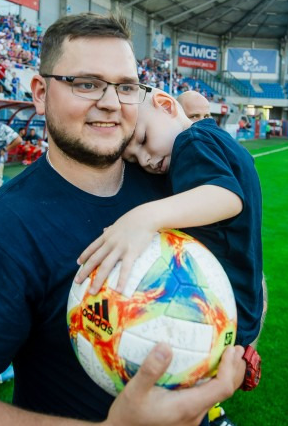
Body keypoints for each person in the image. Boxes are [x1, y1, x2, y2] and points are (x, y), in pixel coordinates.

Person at [0, 13, 245, 426]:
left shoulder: (171, 180)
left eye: (126, 87)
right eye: (86, 84)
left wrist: (236, 316)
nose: (110, 102)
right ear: (40, 93)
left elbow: (232, 258)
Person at [77, 88, 264, 425]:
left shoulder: (191, 141)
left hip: (214, 307)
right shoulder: (218, 138)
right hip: (241, 302)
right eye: (134, 159)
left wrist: (143, 217)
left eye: (143, 140)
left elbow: (225, 196)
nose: (146, 160)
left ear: (165, 105)